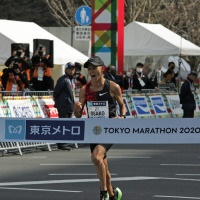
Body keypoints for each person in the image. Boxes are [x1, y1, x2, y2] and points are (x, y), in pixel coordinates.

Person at [74, 56, 125, 200]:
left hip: (109, 129)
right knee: (102, 166)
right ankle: (114, 194)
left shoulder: (113, 87)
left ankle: (103, 194)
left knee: (96, 157)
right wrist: (76, 109)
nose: (91, 71)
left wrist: (122, 117)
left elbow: (122, 105)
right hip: (94, 131)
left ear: (102, 69)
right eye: (89, 69)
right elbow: (78, 115)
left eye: (94, 68)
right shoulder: (85, 89)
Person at [53, 62, 76, 150]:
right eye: (70, 69)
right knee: (63, 124)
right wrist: (57, 99)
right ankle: (61, 144)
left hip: (69, 104)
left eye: (73, 69)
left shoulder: (71, 79)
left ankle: (64, 143)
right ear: (66, 69)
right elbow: (56, 91)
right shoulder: (63, 79)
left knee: (67, 125)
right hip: (63, 104)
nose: (72, 70)